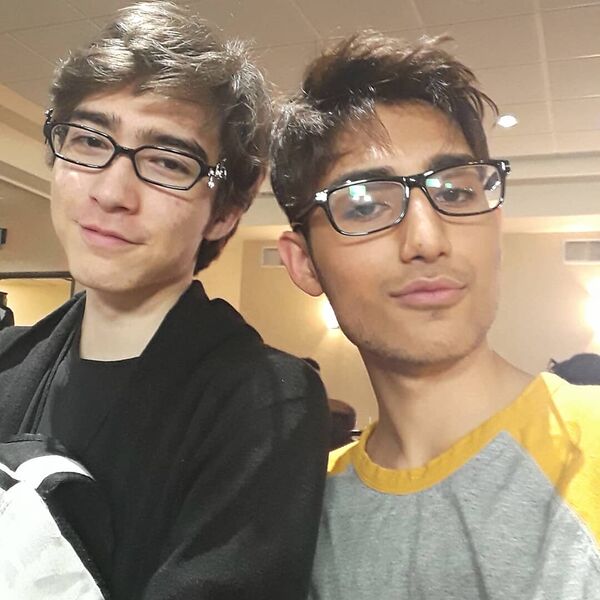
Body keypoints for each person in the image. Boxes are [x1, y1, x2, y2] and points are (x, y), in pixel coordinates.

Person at [0, 3, 329, 599]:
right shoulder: (8, 363)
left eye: (168, 162)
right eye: (89, 140)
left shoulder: (263, 405)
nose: (111, 191)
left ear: (224, 212)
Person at [270, 31, 600, 599]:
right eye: (366, 205)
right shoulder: (298, 520)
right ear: (304, 263)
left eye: (456, 192)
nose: (427, 239)